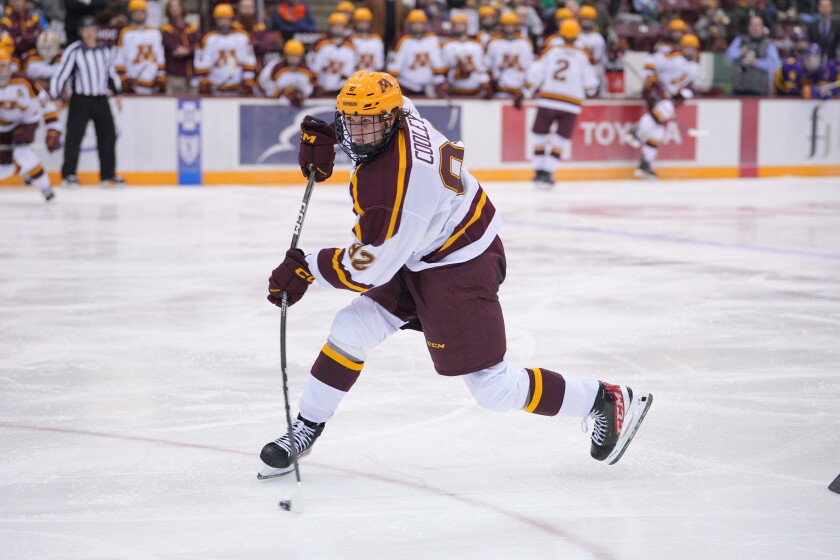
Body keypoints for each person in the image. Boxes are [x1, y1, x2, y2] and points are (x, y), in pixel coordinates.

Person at [257, 70, 654, 478]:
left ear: (391, 120)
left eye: (368, 123)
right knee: (351, 328)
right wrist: (331, 141)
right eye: (351, 122)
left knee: (494, 388)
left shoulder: (399, 188)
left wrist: (307, 267)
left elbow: (372, 266)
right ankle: (306, 426)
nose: (358, 133)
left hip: (459, 265)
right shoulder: (400, 110)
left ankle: (602, 399)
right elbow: (386, 239)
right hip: (426, 246)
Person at [523, 19, 598, 190]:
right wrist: (592, 89)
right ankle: (548, 171)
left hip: (548, 99)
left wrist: (526, 90)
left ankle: (538, 170)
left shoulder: (552, 50)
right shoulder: (583, 54)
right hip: (571, 103)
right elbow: (590, 84)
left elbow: (536, 72)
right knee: (561, 139)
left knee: (540, 135)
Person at [49, 17, 124, 188]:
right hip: (80, 99)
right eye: (86, 30)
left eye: (93, 29)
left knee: (108, 136)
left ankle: (108, 175)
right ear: (81, 32)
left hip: (100, 99)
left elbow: (111, 74)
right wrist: (56, 96)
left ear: (97, 31)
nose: (90, 33)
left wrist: (118, 92)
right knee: (74, 137)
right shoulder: (74, 50)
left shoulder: (104, 50)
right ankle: (68, 174)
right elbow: (60, 75)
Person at [627, 34, 700, 180]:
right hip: (654, 90)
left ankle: (645, 164)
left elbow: (687, 86)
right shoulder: (671, 56)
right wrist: (650, 77)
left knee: (658, 131)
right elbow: (650, 61)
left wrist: (682, 95)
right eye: (688, 48)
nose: (690, 51)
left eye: (693, 49)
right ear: (682, 47)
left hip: (668, 97)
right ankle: (636, 132)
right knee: (666, 108)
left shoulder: (695, 67)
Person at [0, 49, 57, 201]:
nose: (1, 69)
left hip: (26, 121)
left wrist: (53, 129)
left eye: (3, 65)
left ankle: (45, 187)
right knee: (4, 166)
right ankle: (24, 169)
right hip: (3, 126)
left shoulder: (24, 82)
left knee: (22, 151)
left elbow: (47, 104)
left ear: (10, 66)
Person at [194, 4, 257, 95]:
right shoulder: (208, 39)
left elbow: (249, 60)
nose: (224, 22)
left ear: (231, 19)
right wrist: (205, 82)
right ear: (215, 20)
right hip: (215, 88)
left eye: (226, 19)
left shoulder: (242, 37)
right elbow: (202, 63)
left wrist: (248, 80)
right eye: (220, 19)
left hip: (238, 88)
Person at [387, 9, 446, 97]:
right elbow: (393, 70)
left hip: (428, 85)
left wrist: (438, 84)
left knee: (441, 81)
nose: (418, 26)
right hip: (407, 84)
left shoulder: (432, 40)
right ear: (410, 25)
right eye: (415, 23)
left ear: (425, 24)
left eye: (420, 23)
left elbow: (439, 68)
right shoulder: (403, 41)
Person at [115, 0, 166, 95]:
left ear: (146, 13)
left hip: (153, 84)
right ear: (131, 14)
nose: (139, 15)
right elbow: (119, 58)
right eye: (136, 12)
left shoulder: (155, 32)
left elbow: (160, 56)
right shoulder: (125, 33)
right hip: (132, 83)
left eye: (142, 12)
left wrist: (160, 77)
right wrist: (124, 78)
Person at [726, 15, 780, 95]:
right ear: (749, 27)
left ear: (762, 27)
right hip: (738, 89)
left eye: (758, 25)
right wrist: (740, 52)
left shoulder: (768, 44)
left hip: (758, 91)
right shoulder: (740, 39)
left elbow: (774, 64)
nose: (755, 28)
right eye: (753, 25)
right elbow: (728, 56)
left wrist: (756, 62)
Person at [441, 13, 491, 97]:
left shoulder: (476, 46)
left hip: (475, 90)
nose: (459, 27)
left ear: (466, 26)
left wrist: (485, 84)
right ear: (452, 27)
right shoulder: (447, 46)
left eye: (461, 24)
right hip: (453, 90)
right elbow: (443, 69)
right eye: (456, 24)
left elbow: (481, 68)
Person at [485, 12, 533, 99]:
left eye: (512, 25)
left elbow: (530, 66)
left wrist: (527, 87)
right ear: (501, 26)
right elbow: (487, 65)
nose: (509, 27)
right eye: (507, 25)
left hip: (520, 90)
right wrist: (490, 83)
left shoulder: (525, 43)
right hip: (500, 89)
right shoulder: (493, 43)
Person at [308, 12, 356, 96]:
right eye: (335, 26)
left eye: (340, 26)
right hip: (320, 86)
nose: (337, 29)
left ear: (345, 28)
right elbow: (313, 67)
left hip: (340, 88)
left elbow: (348, 71)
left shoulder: (350, 47)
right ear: (330, 27)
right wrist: (316, 83)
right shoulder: (321, 44)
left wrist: (340, 86)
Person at [161, 0, 200, 94]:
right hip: (176, 75)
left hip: (193, 74)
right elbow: (175, 49)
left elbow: (199, 45)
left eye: (177, 6)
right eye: (171, 7)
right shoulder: (167, 29)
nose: (174, 9)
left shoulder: (192, 27)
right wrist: (191, 50)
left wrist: (188, 50)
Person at [258, 39, 313, 104]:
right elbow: (264, 83)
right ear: (286, 55)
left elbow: (310, 86)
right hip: (277, 103)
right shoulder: (276, 67)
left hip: (299, 104)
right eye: (291, 55)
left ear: (301, 56)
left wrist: (301, 95)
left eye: (296, 56)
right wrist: (282, 93)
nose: (293, 58)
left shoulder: (306, 69)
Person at [774, 43, 839, 98]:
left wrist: (827, 93)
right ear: (804, 57)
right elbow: (789, 90)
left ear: (820, 60)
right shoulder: (792, 66)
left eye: (816, 59)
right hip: (779, 93)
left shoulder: (823, 70)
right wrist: (802, 91)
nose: (813, 62)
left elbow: (825, 88)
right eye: (810, 59)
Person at [234, 0, 272, 69]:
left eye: (251, 7)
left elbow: (266, 47)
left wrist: (252, 43)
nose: (248, 10)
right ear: (239, 9)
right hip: (237, 66)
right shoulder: (234, 28)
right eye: (245, 7)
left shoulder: (259, 28)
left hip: (256, 67)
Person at [350, 7, 385, 71]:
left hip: (372, 74)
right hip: (356, 75)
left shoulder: (377, 40)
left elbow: (379, 64)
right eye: (360, 22)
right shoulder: (351, 40)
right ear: (356, 23)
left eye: (366, 22)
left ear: (370, 23)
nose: (363, 24)